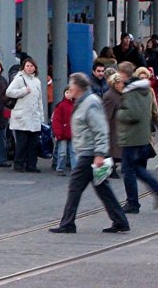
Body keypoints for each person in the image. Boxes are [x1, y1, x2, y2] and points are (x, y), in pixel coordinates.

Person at [49, 73, 130, 234]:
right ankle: (120, 221)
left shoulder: (90, 103)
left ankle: (68, 223)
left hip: (90, 153)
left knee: (75, 187)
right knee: (102, 188)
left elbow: (100, 129)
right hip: (89, 152)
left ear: (78, 87)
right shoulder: (82, 102)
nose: (69, 88)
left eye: (71, 85)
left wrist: (100, 153)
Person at [117, 71, 158, 214]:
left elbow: (133, 114)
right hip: (142, 136)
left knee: (128, 170)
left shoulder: (131, 93)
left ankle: (133, 202)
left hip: (131, 137)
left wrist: (118, 113)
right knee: (137, 168)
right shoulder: (145, 90)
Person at [5, 56, 45, 173]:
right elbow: (9, 92)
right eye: (27, 66)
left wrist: (41, 116)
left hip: (34, 116)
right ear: (23, 67)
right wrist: (23, 91)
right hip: (21, 116)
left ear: (35, 68)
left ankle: (32, 165)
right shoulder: (19, 79)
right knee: (22, 143)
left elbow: (39, 100)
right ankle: (19, 164)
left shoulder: (37, 81)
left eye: (31, 66)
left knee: (33, 143)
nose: (29, 68)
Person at [102, 73, 124, 178]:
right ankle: (109, 170)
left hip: (119, 127)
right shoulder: (110, 96)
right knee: (112, 151)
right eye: (121, 83)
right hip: (113, 128)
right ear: (116, 84)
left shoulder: (119, 94)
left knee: (116, 151)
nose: (123, 85)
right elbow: (107, 114)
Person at [51, 87, 76, 175]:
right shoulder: (60, 105)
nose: (69, 95)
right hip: (63, 133)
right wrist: (57, 133)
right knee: (62, 152)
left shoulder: (75, 105)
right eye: (67, 92)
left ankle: (74, 169)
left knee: (73, 152)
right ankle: (60, 168)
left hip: (72, 132)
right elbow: (56, 121)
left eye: (70, 92)